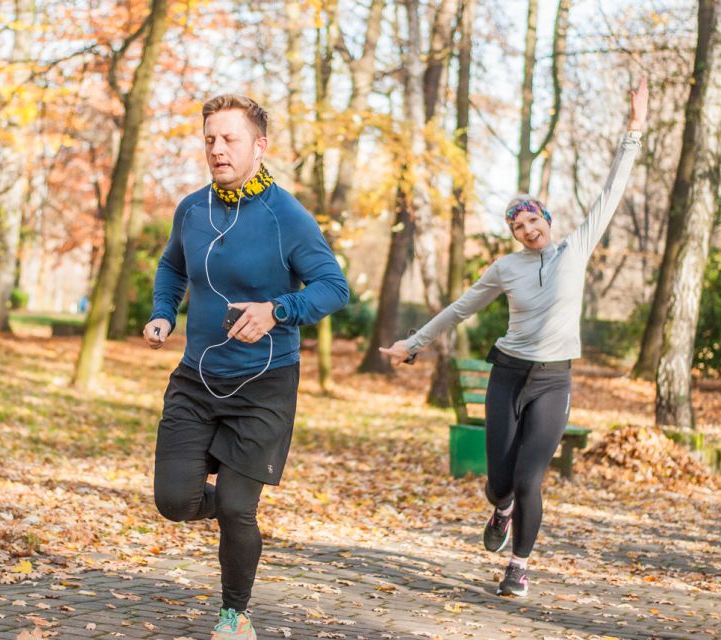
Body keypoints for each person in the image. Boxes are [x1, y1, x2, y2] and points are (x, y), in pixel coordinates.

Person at [381, 78, 648, 597]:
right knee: (500, 484)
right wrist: (413, 343)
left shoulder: (575, 250)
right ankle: (499, 510)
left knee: (530, 481)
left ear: (546, 219)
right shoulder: (506, 268)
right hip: (507, 375)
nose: (528, 230)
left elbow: (611, 191)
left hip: (553, 382)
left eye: (533, 220)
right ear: (513, 235)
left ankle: (519, 568)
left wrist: (633, 130)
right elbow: (460, 309)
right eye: (519, 226)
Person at [144, 94, 349, 639]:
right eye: (210, 138)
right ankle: (235, 508)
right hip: (196, 380)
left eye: (229, 138)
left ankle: (234, 615)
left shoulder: (286, 215)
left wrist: (278, 311)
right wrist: (163, 313)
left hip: (264, 384)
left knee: (237, 509)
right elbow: (171, 266)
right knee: (174, 501)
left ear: (259, 146)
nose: (217, 149)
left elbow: (334, 287)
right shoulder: (192, 209)